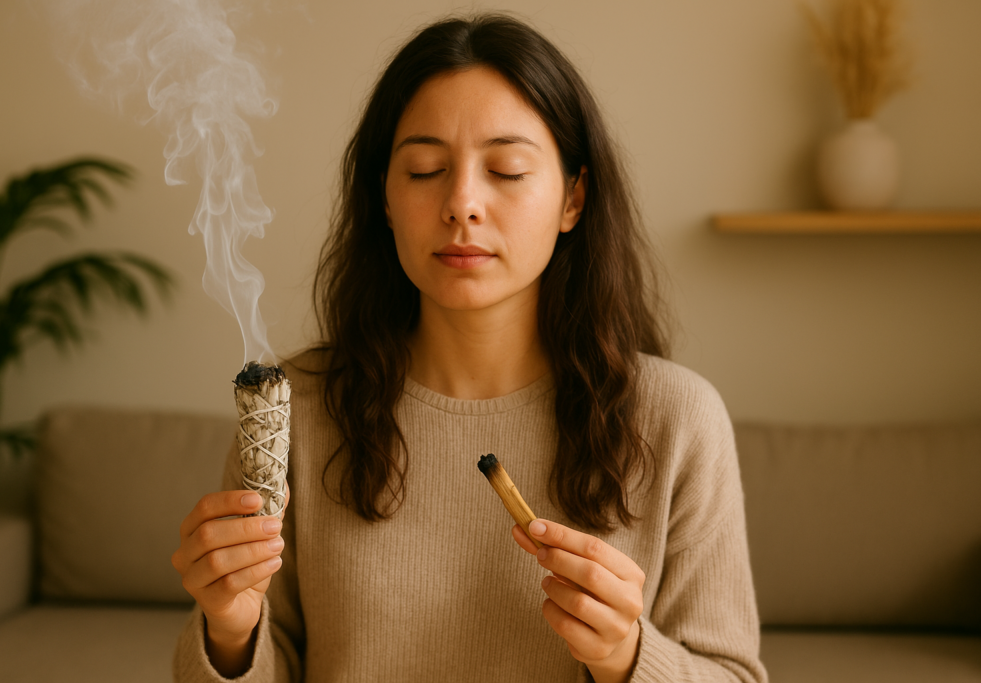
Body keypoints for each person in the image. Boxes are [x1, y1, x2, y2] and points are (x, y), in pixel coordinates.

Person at [172, 13, 767, 683]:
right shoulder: (295, 410)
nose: (461, 203)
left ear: (573, 197)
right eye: (425, 169)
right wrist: (228, 631)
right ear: (385, 198)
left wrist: (626, 656)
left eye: (507, 170)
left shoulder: (678, 418)